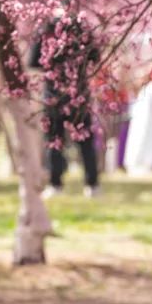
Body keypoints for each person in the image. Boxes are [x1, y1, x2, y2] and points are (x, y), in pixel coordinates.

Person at [30, 12, 101, 198]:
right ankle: (92, 184)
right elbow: (96, 57)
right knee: (85, 141)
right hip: (79, 91)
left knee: (54, 140)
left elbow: (34, 61)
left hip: (53, 93)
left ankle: (56, 184)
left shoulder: (46, 29)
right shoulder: (83, 29)